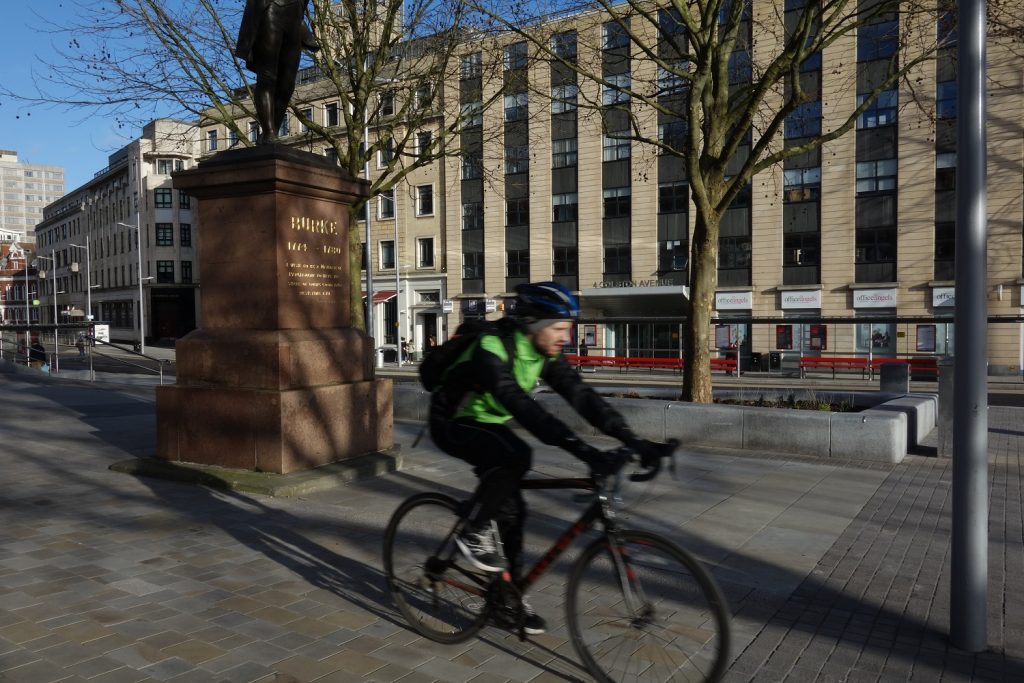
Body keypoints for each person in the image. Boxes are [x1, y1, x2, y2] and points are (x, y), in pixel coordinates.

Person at [428, 281, 662, 635]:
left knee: (514, 510)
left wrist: (633, 439)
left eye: (567, 329)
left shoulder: (544, 354)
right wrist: (581, 450)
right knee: (516, 456)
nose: (565, 338)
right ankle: (473, 532)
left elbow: (582, 397)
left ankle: (506, 597)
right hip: (453, 422)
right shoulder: (492, 348)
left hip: (488, 422)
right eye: (559, 328)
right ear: (534, 324)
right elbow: (522, 408)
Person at [235, 0, 320, 144]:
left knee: (287, 85)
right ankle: (269, 133)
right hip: (270, 9)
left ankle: (270, 132)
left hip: (294, 15)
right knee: (267, 78)